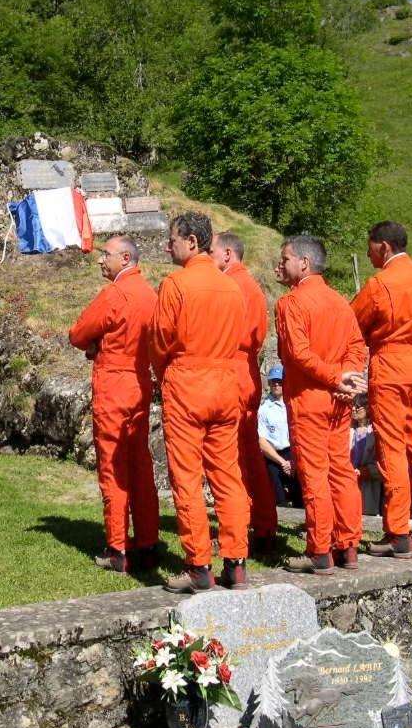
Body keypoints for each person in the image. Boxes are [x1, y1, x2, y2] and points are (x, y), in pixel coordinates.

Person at [150, 212, 249, 592]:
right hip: (226, 384)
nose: (167, 246)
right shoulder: (231, 287)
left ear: (191, 241)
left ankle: (198, 565)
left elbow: (160, 340)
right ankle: (237, 563)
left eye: (172, 239)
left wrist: (164, 374)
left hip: (188, 385)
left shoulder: (176, 283)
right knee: (227, 476)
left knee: (187, 478)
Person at [352, 221, 412, 557]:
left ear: (384, 247)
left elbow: (355, 323)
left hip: (390, 364)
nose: (367, 253)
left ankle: (397, 532)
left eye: (370, 246)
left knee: (391, 448)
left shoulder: (380, 283)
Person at [275, 235, 367, 575]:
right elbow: (358, 347)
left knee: (314, 474)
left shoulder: (291, 303)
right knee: (341, 470)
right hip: (339, 399)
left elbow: (297, 355)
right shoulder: (340, 302)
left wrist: (334, 377)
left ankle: (320, 550)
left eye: (285, 259)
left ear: (304, 263)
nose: (281, 264)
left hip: (309, 397)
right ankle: (349, 545)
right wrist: (346, 378)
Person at [69, 235, 159, 572]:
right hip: (140, 382)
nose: (99, 260)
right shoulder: (151, 294)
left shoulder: (115, 294)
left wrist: (95, 345)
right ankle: (149, 540)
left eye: (105, 255)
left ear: (124, 258)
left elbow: (79, 333)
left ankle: (117, 546)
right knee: (140, 465)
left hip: (113, 384)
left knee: (113, 467)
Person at [211, 231, 277, 551]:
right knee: (248, 454)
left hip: (233, 369)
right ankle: (261, 522)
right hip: (246, 369)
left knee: (234, 457)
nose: (208, 259)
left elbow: (226, 332)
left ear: (227, 254)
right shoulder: (249, 284)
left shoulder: (233, 284)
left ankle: (244, 522)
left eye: (212, 252)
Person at [257, 365, 302, 508]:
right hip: (273, 456)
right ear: (269, 384)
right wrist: (282, 462)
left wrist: (294, 459)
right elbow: (262, 440)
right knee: (277, 498)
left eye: (279, 381)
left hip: (294, 453)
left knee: (300, 495)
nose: (276, 385)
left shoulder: (295, 403)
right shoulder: (264, 409)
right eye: (273, 382)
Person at [350, 395, 382, 517]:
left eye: (357, 407)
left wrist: (367, 471)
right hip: (350, 478)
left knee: (366, 513)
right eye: (352, 406)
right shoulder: (349, 430)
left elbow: (381, 460)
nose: (353, 409)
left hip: (368, 481)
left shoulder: (374, 432)